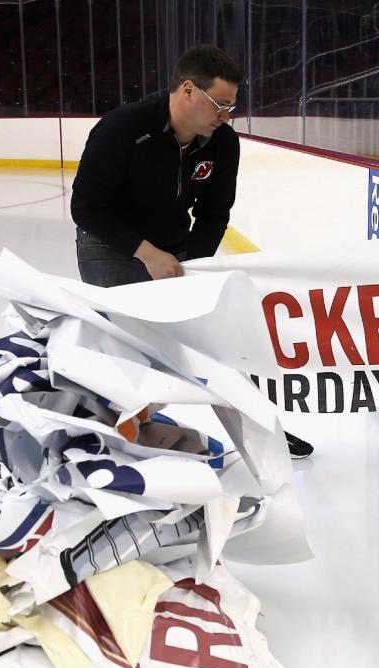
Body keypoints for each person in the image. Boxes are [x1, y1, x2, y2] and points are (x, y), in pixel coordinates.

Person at [71, 44, 314, 459]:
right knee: (128, 349)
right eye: (219, 105)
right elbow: (86, 207)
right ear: (187, 91)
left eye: (231, 108)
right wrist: (147, 254)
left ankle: (262, 429)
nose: (225, 116)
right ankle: (111, 436)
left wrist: (192, 264)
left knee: (222, 342)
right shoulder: (122, 129)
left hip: (176, 247)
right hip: (111, 246)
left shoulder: (222, 143)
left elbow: (215, 213)